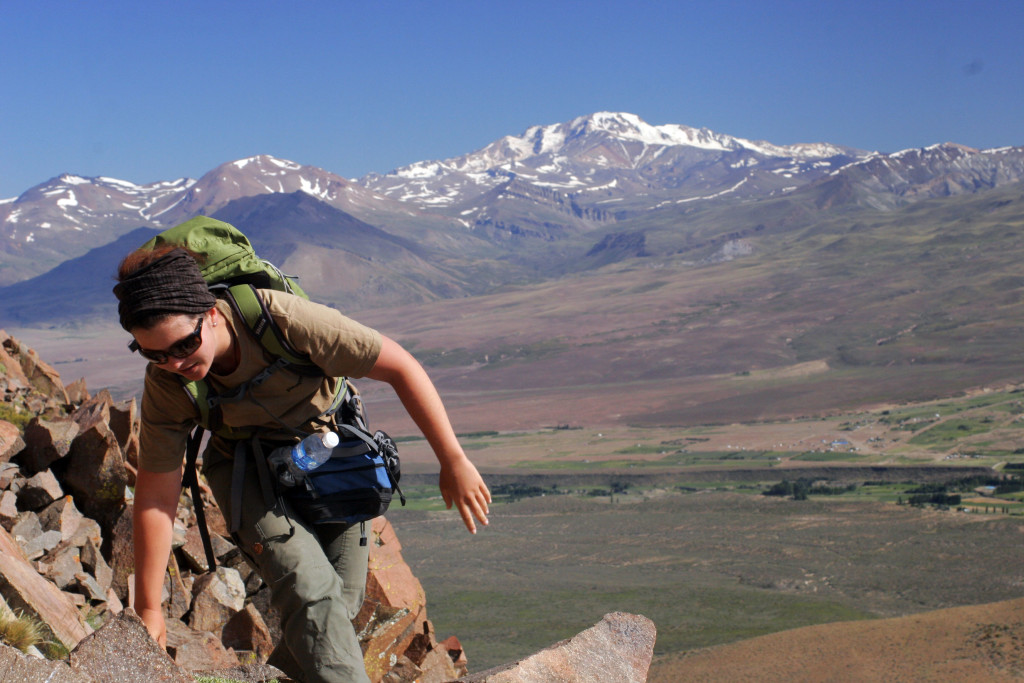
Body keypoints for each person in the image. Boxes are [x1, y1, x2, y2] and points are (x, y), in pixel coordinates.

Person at [113, 246, 491, 683]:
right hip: (246, 469)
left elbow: (400, 366)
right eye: (155, 354)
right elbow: (157, 494)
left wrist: (453, 459)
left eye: (184, 344)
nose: (175, 363)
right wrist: (149, 606)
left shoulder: (283, 321)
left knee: (342, 601)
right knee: (312, 592)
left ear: (211, 313)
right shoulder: (167, 383)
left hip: (330, 454)